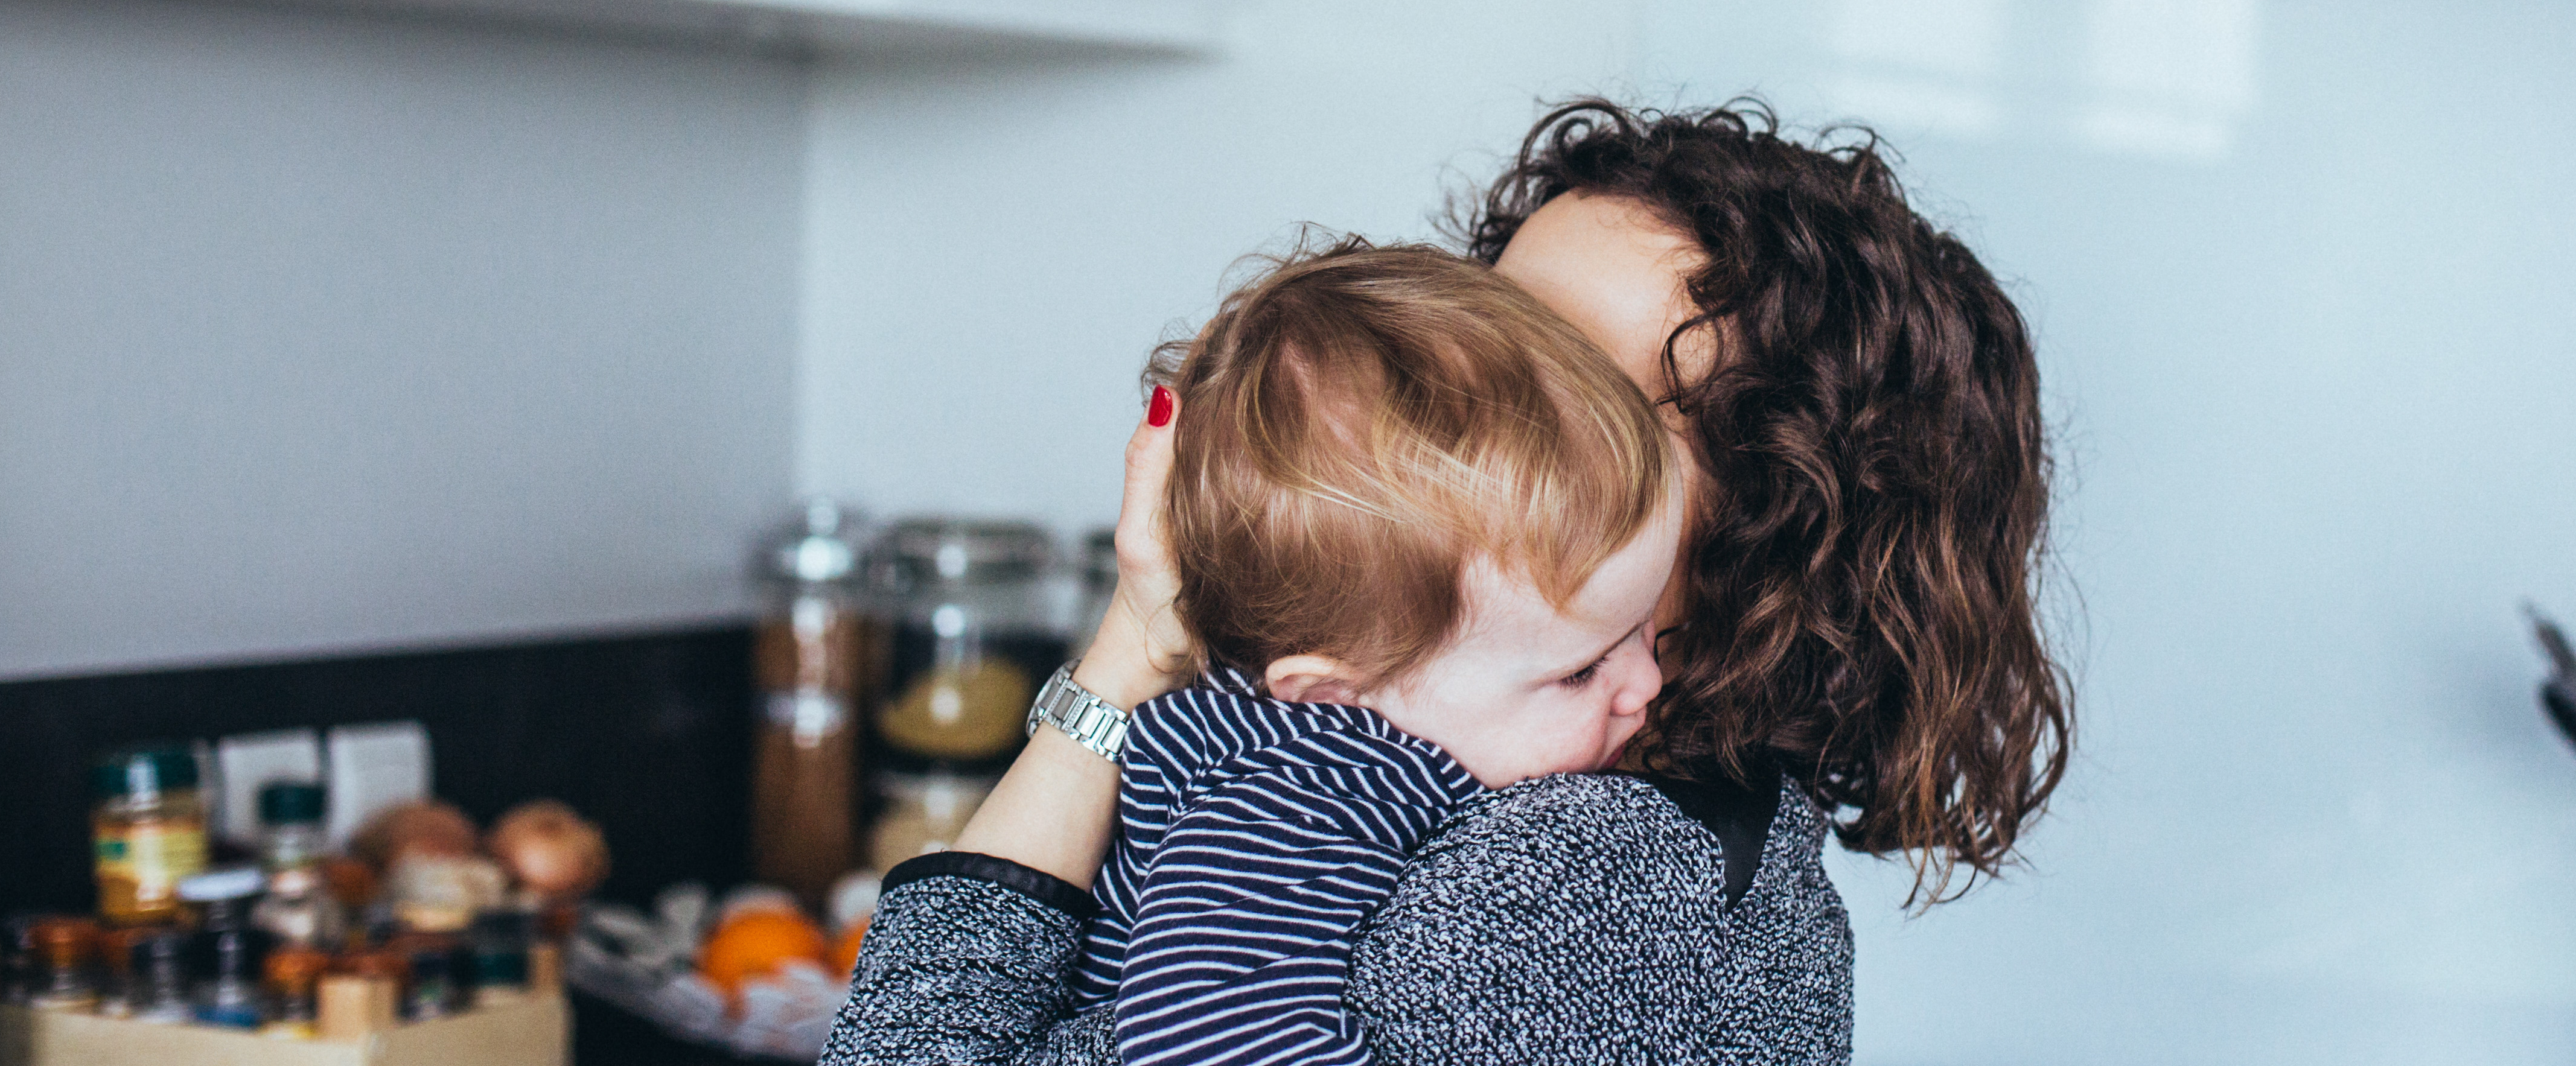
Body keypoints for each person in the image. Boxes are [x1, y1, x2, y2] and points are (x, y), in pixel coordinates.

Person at [825, 100, 2069, 1066]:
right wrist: (1137, 642)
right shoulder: (1430, 752)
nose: (1477, 408)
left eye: (1586, 392)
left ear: (1794, 516)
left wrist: (1127, 656)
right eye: (1497, 334)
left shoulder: (1589, 885)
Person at [1073, 242, 1679, 1064]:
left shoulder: (1340, 740)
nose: (1645, 682)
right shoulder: (1314, 786)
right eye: (1580, 670)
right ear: (1333, 698)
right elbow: (1203, 1044)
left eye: (1642, 628)